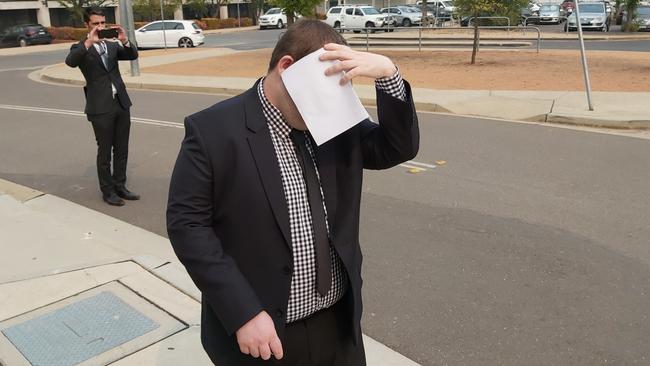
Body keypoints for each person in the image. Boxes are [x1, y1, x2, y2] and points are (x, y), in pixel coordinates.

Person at [166, 19, 419, 366]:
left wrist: (388, 73)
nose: (328, 107)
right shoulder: (213, 131)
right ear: (287, 68)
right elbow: (187, 225)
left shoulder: (333, 118)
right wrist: (242, 313)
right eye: (322, 91)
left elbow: (396, 148)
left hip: (337, 324)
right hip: (264, 333)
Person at [65, 8, 140, 206]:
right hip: (100, 107)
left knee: (122, 149)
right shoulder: (80, 47)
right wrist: (89, 41)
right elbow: (70, 62)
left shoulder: (112, 45)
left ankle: (120, 186)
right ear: (87, 26)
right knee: (105, 151)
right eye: (96, 24)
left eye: (102, 23)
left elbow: (132, 55)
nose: (100, 27)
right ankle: (108, 191)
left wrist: (124, 40)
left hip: (121, 103)